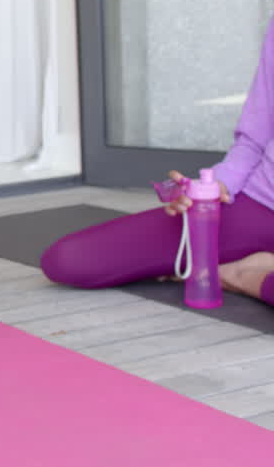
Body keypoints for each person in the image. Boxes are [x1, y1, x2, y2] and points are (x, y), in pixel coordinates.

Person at [42, 21, 274, 306]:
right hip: (260, 206)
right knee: (70, 260)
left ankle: (243, 275)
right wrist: (215, 186)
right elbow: (253, 141)